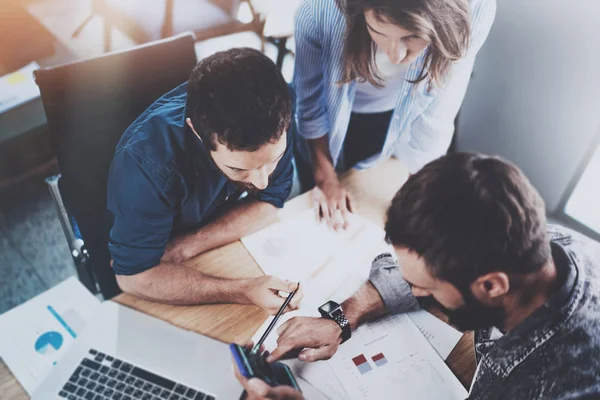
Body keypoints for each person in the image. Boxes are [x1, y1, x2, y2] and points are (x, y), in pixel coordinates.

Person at [235, 153, 600, 399]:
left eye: (423, 287)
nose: (409, 289)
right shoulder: (531, 239)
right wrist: (341, 319)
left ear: (491, 286)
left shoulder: (551, 384)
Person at [107, 48, 302, 313]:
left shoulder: (279, 106)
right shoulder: (145, 163)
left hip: (186, 243)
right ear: (197, 133)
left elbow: (270, 203)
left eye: (273, 160)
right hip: (147, 235)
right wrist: (243, 290)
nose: (261, 182)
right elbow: (132, 277)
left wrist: (182, 249)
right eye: (238, 170)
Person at [293, 0, 496, 230]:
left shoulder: (477, 7)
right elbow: (309, 104)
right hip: (324, 123)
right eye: (378, 31)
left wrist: (412, 195)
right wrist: (324, 179)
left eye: (410, 36)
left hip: (391, 116)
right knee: (313, 215)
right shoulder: (318, 9)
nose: (395, 55)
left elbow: (440, 108)